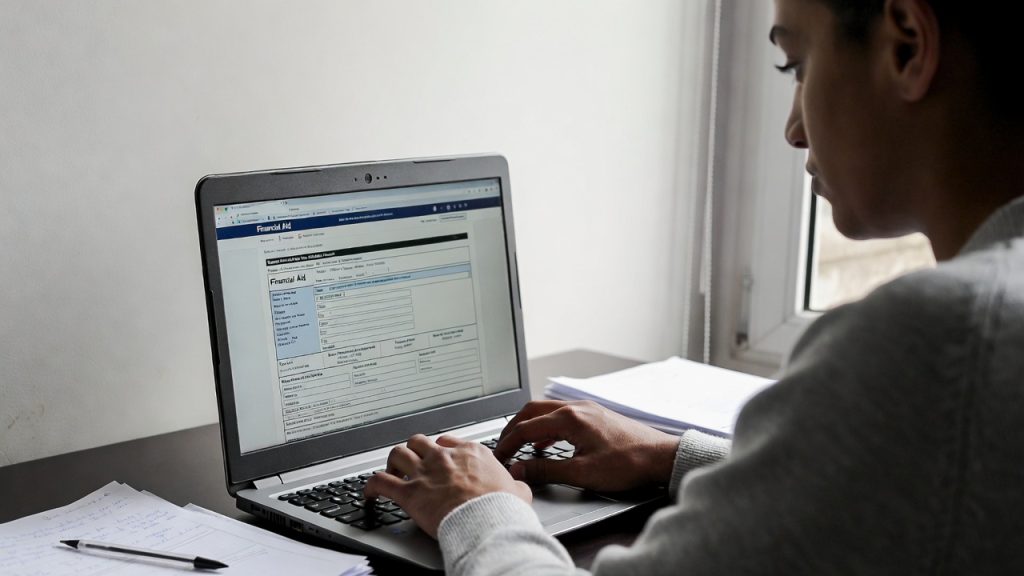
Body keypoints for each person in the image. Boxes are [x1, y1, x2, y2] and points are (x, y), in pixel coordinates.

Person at [365, 0, 1024, 572]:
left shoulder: (945, 342)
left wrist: (479, 507)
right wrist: (671, 457)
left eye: (796, 67)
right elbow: (910, 484)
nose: (793, 129)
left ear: (907, 45)